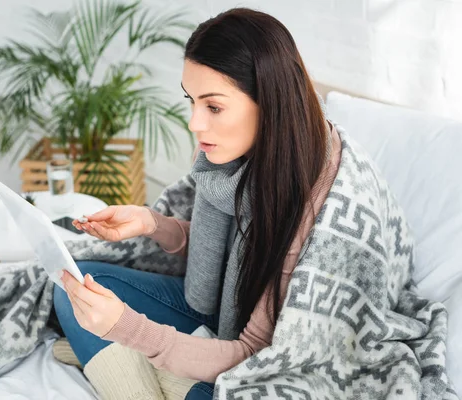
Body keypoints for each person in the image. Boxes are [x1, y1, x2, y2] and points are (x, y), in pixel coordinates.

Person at [53, 7, 341, 399]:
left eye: (214, 106)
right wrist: (152, 223)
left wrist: (127, 331)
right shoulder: (224, 164)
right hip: (218, 319)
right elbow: (220, 255)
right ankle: (136, 367)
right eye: (192, 101)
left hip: (252, 358)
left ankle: (114, 362)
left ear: (269, 102)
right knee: (75, 287)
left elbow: (256, 356)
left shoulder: (316, 202)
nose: (194, 123)